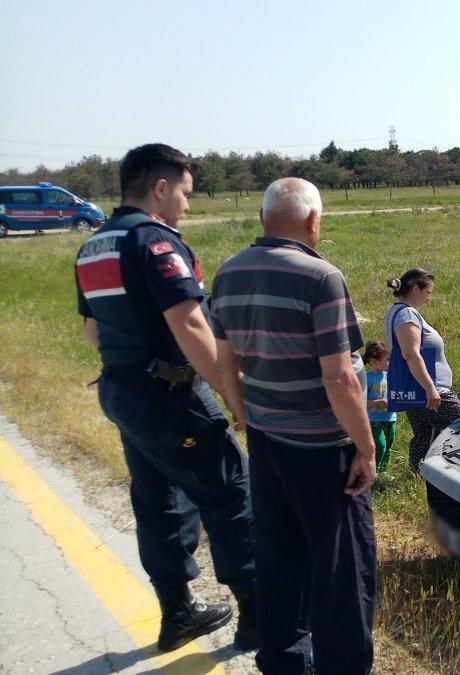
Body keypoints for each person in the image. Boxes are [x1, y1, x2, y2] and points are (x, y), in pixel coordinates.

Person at [73, 143, 257, 652]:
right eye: (185, 192)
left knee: (158, 502)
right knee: (231, 495)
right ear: (160, 187)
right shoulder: (154, 241)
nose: (187, 205)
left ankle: (177, 613)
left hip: (121, 390)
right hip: (170, 396)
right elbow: (191, 326)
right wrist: (232, 397)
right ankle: (259, 614)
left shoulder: (94, 245)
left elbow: (93, 331)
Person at [209, 177, 376, 675]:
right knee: (342, 570)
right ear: (312, 220)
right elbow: (340, 377)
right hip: (324, 450)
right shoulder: (321, 278)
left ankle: (281, 659)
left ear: (263, 219)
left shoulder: (228, 272)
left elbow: (224, 360)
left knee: (279, 556)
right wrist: (365, 449)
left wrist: (242, 414)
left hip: (265, 441)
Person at [384, 269, 460, 470]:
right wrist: (431, 388)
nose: (430, 297)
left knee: (424, 435)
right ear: (415, 288)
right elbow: (410, 354)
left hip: (414, 389)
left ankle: (418, 476)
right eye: (428, 291)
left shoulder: (394, 312)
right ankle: (459, 475)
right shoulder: (407, 314)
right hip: (429, 390)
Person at [363, 342, 396, 473]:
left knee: (388, 446)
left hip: (391, 418)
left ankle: (383, 473)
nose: (390, 362)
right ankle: (373, 473)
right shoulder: (367, 378)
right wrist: (376, 403)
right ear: (374, 361)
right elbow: (360, 400)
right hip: (374, 420)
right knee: (380, 446)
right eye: (387, 360)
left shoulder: (391, 376)